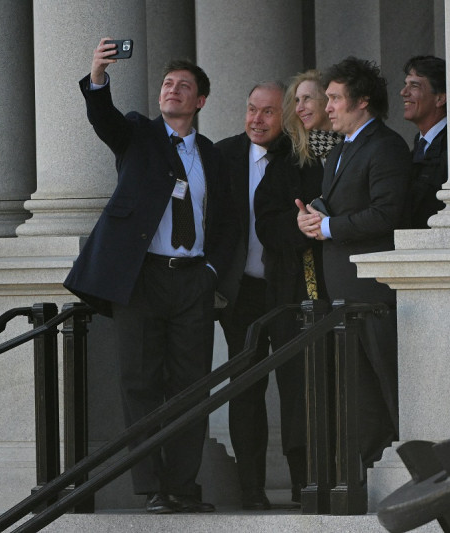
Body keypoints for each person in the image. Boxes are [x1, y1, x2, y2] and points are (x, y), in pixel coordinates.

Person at [64, 38, 235, 514]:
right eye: (167, 84)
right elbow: (104, 118)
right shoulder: (138, 134)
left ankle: (182, 486)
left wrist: (212, 273)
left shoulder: (213, 155)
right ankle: (153, 488)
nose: (172, 90)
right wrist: (98, 76)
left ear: (200, 101)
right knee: (139, 384)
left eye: (184, 86)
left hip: (193, 280)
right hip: (141, 279)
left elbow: (227, 224)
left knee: (191, 384)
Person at [297, 57, 411, 468]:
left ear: (362, 101)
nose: (327, 107)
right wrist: (311, 219)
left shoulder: (385, 146)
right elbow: (338, 209)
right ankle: (369, 475)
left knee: (387, 390)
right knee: (360, 396)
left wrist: (328, 226)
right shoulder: (340, 149)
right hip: (345, 293)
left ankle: (411, 473)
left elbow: (387, 213)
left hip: (374, 295)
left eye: (334, 98)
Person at [254, 69, 343, 504]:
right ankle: (304, 480)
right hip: (296, 293)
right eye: (298, 100)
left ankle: (346, 472)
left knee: (344, 383)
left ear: (332, 101)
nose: (303, 106)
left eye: (311, 97)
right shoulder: (286, 160)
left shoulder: (351, 149)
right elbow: (266, 223)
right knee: (298, 387)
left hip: (345, 287)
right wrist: (301, 225)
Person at [215, 81, 290, 510]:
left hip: (289, 290)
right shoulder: (223, 155)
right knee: (245, 388)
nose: (256, 120)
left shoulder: (299, 155)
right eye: (251, 110)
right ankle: (251, 489)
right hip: (241, 292)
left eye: (268, 112)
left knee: (299, 384)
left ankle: (307, 483)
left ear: (286, 116)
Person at [400, 55, 447, 229]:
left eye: (414, 85)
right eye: (405, 84)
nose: (403, 92)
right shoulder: (418, 147)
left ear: (440, 98)